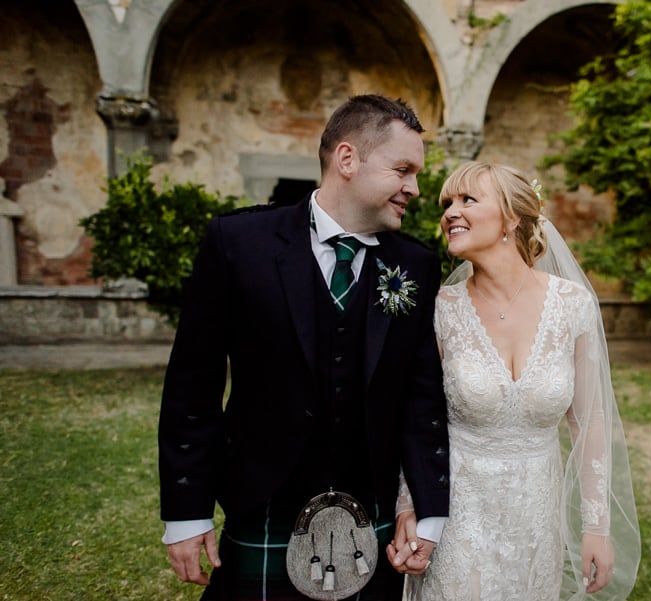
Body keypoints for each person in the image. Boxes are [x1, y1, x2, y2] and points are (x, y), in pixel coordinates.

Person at [158, 94, 450, 600]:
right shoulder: (239, 243)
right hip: (262, 499)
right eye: (403, 169)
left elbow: (422, 400)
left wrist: (429, 508)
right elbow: (193, 384)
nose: (415, 188)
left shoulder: (415, 264)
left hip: (370, 506)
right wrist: (186, 512)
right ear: (347, 159)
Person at [397, 162, 640, 600]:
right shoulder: (442, 309)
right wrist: (410, 509)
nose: (451, 211)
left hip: (535, 520)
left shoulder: (572, 305)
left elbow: (590, 422)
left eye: (468, 200)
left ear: (512, 217)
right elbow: (417, 418)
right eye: (447, 203)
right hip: (458, 517)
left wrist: (596, 528)